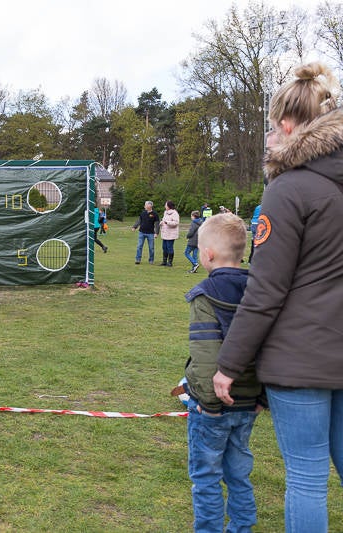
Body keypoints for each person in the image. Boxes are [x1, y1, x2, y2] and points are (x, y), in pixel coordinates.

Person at [212, 62, 343, 532]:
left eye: (271, 126)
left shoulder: (288, 189)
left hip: (301, 357)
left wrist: (229, 364)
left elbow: (265, 289)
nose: (269, 136)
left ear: (287, 125)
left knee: (307, 478)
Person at [182, 212, 266, 533]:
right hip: (248, 402)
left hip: (212, 407)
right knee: (238, 473)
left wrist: (208, 404)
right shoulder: (260, 291)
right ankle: (242, 526)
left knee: (206, 476)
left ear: (207, 254)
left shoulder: (204, 295)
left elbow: (206, 356)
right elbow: (270, 346)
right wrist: (263, 396)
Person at [131, 200, 159, 264]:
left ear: (150, 206)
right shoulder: (143, 213)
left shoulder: (155, 214)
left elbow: (157, 224)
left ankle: (151, 260)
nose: (144, 206)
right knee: (139, 246)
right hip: (141, 232)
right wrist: (134, 227)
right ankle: (138, 259)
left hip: (150, 233)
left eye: (145, 205)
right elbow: (139, 221)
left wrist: (156, 233)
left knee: (151, 248)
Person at [159, 200, 180, 267]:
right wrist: (161, 223)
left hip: (171, 234)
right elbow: (163, 220)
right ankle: (164, 262)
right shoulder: (165, 212)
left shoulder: (175, 213)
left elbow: (176, 223)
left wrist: (167, 222)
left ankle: (170, 262)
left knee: (169, 247)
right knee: (164, 247)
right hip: (165, 233)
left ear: (169, 206)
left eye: (166, 205)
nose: (165, 206)